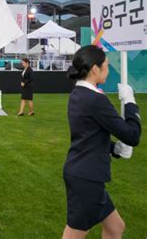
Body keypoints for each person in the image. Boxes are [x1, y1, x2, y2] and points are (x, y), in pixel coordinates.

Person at [62, 45, 141, 238]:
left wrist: (115, 148)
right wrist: (131, 103)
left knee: (116, 227)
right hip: (87, 178)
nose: (108, 68)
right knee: (75, 233)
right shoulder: (94, 99)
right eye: (106, 65)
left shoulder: (78, 94)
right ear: (95, 69)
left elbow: (88, 136)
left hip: (84, 173)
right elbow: (132, 135)